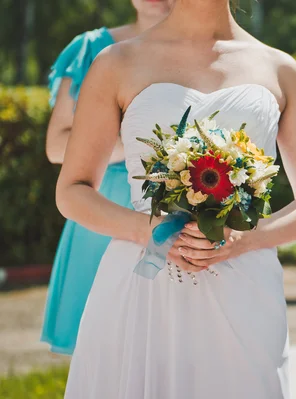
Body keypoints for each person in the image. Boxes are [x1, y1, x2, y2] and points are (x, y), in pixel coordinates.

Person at [56, 0, 296, 397]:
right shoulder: (116, 62)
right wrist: (149, 230)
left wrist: (246, 238)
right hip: (143, 280)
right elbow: (72, 190)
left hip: (246, 287)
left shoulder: (280, 68)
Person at [41, 0, 174, 355]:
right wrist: (136, 143)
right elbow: (56, 145)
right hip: (100, 206)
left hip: (176, 209)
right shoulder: (91, 48)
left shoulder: (202, 52)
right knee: (100, 351)